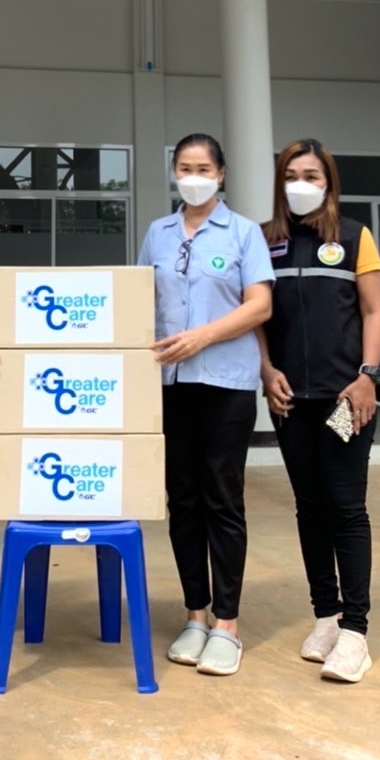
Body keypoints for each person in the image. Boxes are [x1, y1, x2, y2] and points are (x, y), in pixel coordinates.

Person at [137, 133, 273, 677]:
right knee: (184, 500)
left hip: (226, 383)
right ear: (174, 173)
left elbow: (259, 306)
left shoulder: (243, 232)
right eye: (184, 168)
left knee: (222, 499)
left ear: (221, 174)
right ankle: (195, 614)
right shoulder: (159, 233)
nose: (193, 177)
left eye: (203, 169)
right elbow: (140, 300)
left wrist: (202, 337)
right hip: (170, 384)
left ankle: (227, 624)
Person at [260, 137, 380, 685]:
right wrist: (267, 371)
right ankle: (326, 617)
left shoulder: (355, 237)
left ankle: (356, 632)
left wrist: (367, 377)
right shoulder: (265, 241)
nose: (301, 185)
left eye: (311, 176)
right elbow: (258, 316)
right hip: (291, 402)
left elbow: (373, 311)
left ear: (328, 182)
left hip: (343, 400)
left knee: (345, 507)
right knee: (309, 507)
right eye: (292, 176)